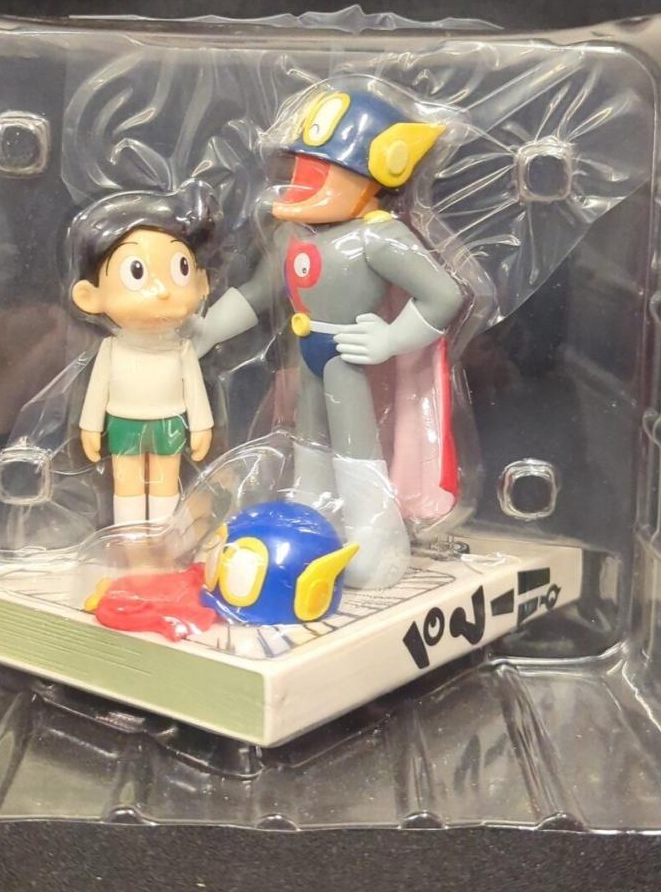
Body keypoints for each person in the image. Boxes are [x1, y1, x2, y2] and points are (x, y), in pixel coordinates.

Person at [192, 78, 463, 589]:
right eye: (301, 167)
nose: (302, 180)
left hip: (344, 358)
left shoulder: (379, 238)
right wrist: (207, 331)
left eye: (322, 169)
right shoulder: (292, 234)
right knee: (309, 443)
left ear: (375, 175)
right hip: (308, 357)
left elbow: (444, 296)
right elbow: (258, 292)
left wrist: (390, 339)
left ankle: (377, 545)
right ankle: (313, 526)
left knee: (356, 446)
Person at [69, 182, 216, 525]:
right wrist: (90, 426)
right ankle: (130, 534)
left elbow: (195, 390)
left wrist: (202, 426)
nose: (162, 291)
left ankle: (163, 533)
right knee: (127, 483)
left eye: (180, 270)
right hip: (123, 422)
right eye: (136, 273)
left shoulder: (181, 348)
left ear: (201, 284)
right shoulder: (111, 348)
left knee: (165, 481)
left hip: (170, 421)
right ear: (90, 297)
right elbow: (97, 390)